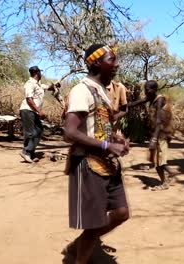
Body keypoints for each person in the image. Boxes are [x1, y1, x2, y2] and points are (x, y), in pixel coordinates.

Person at [63, 44, 130, 264]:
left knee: (121, 213)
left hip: (107, 164)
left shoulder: (103, 91)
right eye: (112, 59)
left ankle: (79, 244)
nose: (116, 64)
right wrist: (105, 146)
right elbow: (70, 132)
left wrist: (116, 140)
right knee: (94, 224)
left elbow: (101, 127)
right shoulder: (82, 90)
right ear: (96, 63)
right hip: (89, 163)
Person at [144, 80, 178, 191]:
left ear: (154, 90)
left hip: (160, 134)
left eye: (147, 89)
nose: (145, 92)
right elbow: (139, 102)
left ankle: (167, 178)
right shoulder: (152, 98)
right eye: (145, 89)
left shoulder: (159, 101)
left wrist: (154, 139)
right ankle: (167, 178)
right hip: (157, 134)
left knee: (160, 161)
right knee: (156, 160)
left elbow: (159, 121)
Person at [19, 66, 57, 163]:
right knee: (31, 132)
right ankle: (26, 152)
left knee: (39, 131)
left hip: (34, 111)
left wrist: (55, 86)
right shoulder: (30, 84)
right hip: (27, 110)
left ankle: (30, 153)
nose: (41, 74)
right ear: (37, 73)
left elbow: (48, 87)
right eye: (40, 72)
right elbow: (29, 99)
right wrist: (39, 111)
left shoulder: (39, 85)